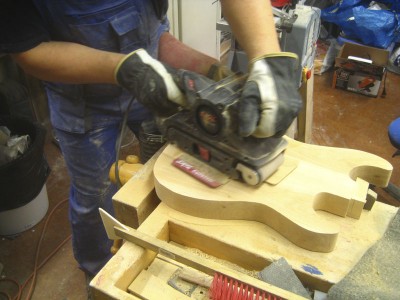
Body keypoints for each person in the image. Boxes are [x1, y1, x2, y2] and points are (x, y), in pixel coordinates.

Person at [0, 0, 302, 279]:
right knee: (96, 198)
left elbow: (154, 31)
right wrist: (125, 69)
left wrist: (267, 56)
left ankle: (159, 257)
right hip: (79, 98)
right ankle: (101, 276)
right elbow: (29, 50)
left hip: (155, 77)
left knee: (166, 178)